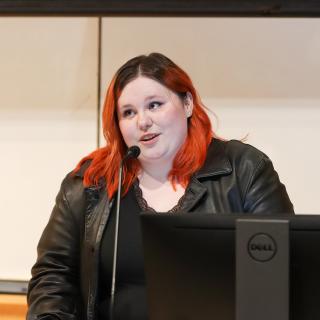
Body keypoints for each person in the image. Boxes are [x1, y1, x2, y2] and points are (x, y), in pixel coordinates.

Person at [27, 52, 294, 320]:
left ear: (187, 103)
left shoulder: (243, 170)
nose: (143, 121)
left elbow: (280, 272)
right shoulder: (90, 182)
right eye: (128, 112)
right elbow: (52, 275)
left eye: (154, 105)